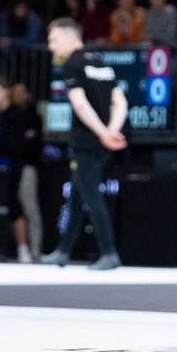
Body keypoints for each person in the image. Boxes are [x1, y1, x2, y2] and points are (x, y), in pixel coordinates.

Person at [40, 18, 126, 270]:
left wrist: (102, 132)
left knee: (91, 197)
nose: (51, 47)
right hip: (101, 143)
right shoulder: (100, 63)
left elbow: (79, 103)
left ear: (69, 38)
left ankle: (109, 253)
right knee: (77, 197)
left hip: (87, 142)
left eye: (53, 40)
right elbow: (120, 102)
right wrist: (112, 130)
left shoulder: (72, 63)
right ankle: (63, 251)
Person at [0, 76, 32, 263]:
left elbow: (13, 144)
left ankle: (23, 249)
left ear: (6, 91)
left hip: (11, 167)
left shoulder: (16, 114)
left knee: (14, 205)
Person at [11, 82, 45, 260]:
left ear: (27, 94)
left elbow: (32, 142)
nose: (18, 95)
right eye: (14, 92)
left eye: (21, 92)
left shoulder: (33, 116)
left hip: (27, 167)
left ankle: (36, 250)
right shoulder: (7, 115)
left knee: (30, 208)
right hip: (9, 167)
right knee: (14, 209)